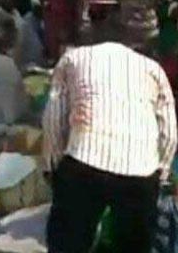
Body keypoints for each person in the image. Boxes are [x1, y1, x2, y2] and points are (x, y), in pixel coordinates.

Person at [43, 37, 177, 253]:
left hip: (84, 159)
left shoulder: (73, 58)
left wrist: (54, 166)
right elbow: (169, 133)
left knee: (67, 242)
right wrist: (159, 175)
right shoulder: (154, 70)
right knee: (133, 245)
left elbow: (53, 121)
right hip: (141, 168)